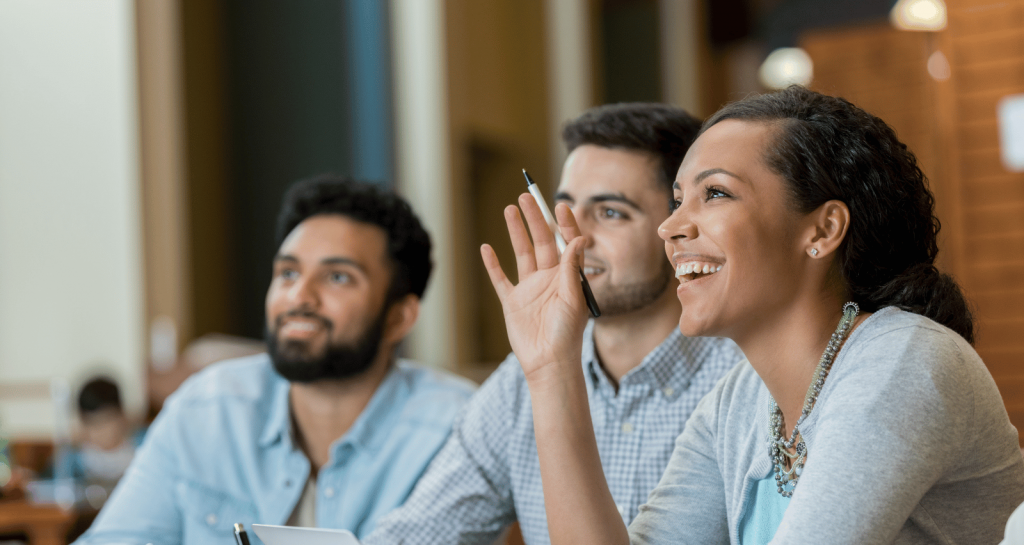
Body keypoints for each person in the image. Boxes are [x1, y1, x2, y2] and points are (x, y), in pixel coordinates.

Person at [482, 86, 1024, 544]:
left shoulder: (904, 361)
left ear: (822, 230)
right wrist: (551, 367)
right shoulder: (737, 404)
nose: (670, 229)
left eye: (714, 194)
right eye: (677, 201)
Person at [366, 104, 744, 545]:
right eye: (562, 208)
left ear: (679, 225)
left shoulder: (742, 379)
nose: (572, 237)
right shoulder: (518, 383)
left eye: (610, 213)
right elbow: (420, 533)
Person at [75, 177, 476, 544]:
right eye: (287, 273)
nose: (299, 296)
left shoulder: (456, 430)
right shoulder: (206, 410)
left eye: (338, 277)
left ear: (398, 317)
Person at [54, 376, 145, 485]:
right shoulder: (76, 457)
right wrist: (66, 449)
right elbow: (58, 487)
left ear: (121, 416)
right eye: (91, 423)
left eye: (105, 421)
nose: (100, 431)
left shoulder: (143, 446)